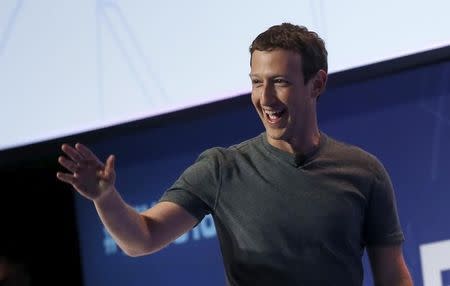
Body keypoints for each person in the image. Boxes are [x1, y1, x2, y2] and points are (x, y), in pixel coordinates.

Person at [57, 23, 413, 285]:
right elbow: (143, 239)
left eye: (280, 82)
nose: (266, 98)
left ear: (316, 84)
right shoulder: (222, 169)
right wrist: (105, 197)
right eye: (257, 82)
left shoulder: (364, 172)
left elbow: (392, 275)